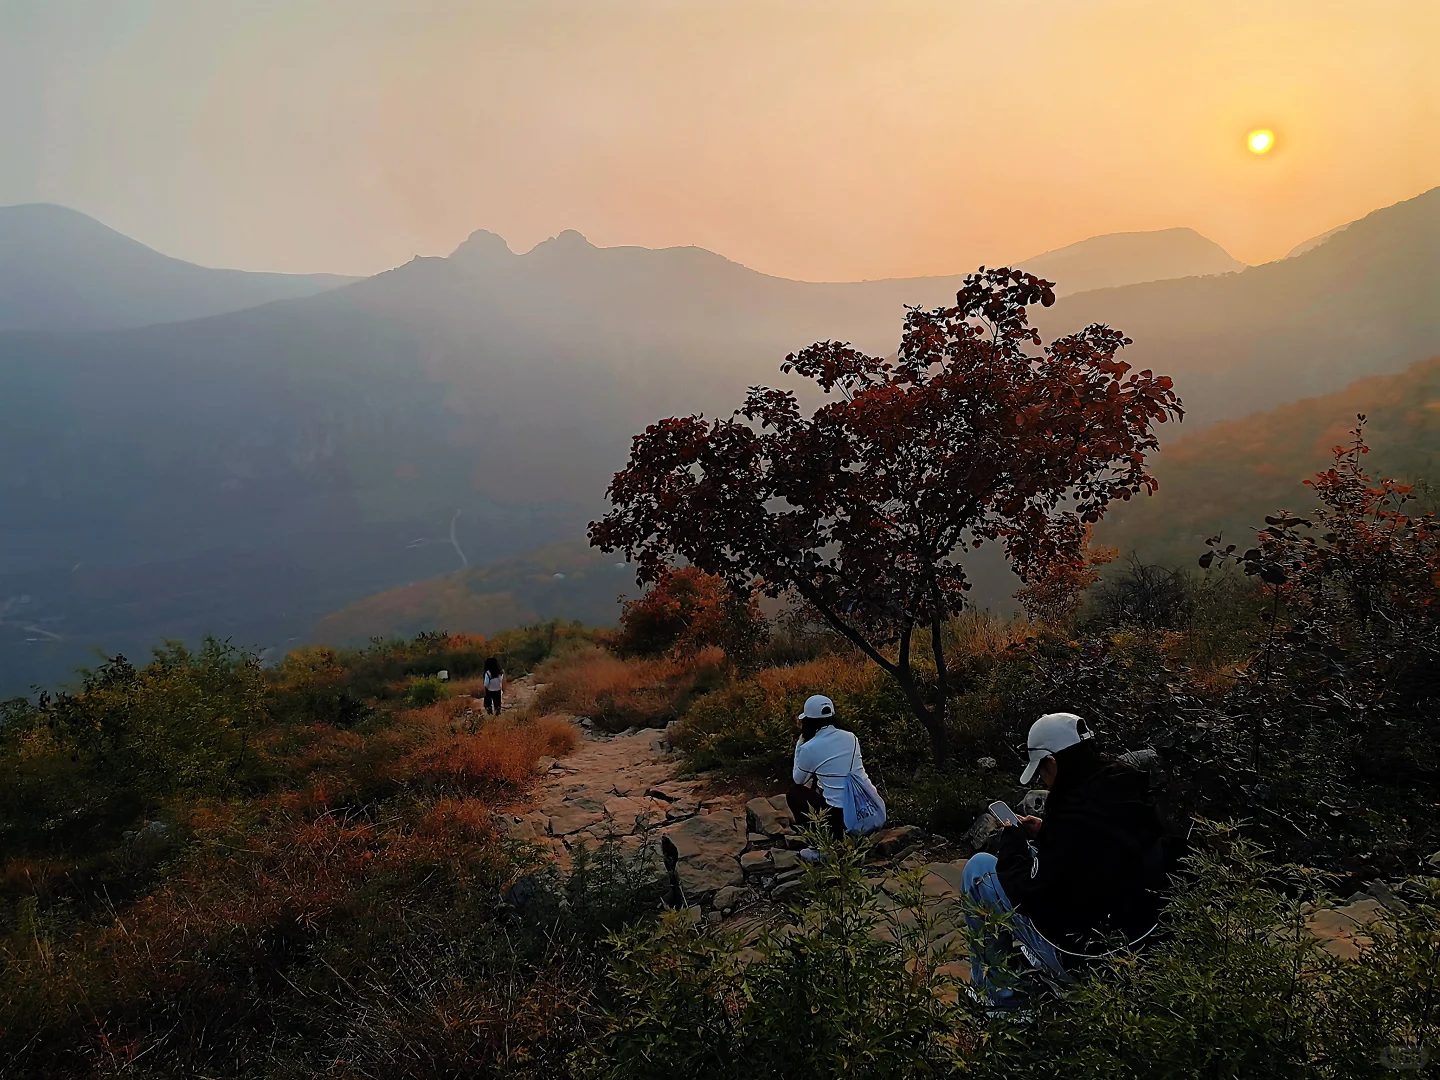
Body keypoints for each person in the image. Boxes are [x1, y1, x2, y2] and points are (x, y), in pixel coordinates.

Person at [962, 712, 1165, 1006]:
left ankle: (1001, 998)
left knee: (978, 869)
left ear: (1053, 762)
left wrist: (1013, 842)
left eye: (1042, 771)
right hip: (1138, 942)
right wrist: (1046, 833)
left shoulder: (1073, 816)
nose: (1043, 780)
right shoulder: (1122, 790)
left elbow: (1030, 894)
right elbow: (1095, 848)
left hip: (1086, 958)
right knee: (1034, 857)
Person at [787, 695, 880, 858]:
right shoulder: (851, 737)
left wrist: (800, 745)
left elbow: (799, 779)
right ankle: (858, 837)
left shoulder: (809, 747)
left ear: (807, 721)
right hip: (869, 808)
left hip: (841, 819)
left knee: (795, 793)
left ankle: (822, 847)